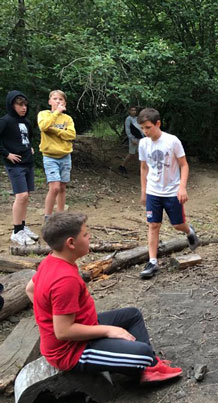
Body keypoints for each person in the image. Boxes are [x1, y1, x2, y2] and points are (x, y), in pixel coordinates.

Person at [25, 212, 183, 382]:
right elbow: (63, 331)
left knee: (132, 315)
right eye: (85, 234)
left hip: (83, 328)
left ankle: (149, 367)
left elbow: (30, 289)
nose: (89, 237)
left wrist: (48, 318)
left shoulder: (50, 261)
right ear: (71, 243)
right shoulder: (65, 280)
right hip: (72, 352)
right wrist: (109, 330)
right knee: (143, 354)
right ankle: (145, 365)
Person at [138, 108, 199, 279]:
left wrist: (182, 187)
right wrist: (144, 190)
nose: (145, 132)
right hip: (153, 191)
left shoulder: (172, 141)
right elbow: (143, 167)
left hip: (172, 191)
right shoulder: (144, 144)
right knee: (153, 225)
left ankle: (189, 231)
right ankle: (152, 262)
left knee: (177, 224)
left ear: (158, 123)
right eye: (143, 128)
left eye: (148, 127)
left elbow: (184, 165)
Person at [0, 91, 38, 245]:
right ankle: (16, 232)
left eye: (25, 105)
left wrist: (30, 148)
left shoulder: (26, 122)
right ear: (12, 104)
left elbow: (27, 138)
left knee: (26, 196)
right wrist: (7, 154)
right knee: (21, 196)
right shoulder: (5, 121)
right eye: (19, 104)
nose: (23, 108)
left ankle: (22, 227)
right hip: (15, 165)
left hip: (28, 163)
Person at [38, 90, 76, 222]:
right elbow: (43, 126)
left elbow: (71, 135)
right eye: (55, 99)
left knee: (62, 187)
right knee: (54, 187)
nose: (58, 101)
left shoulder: (68, 119)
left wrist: (54, 130)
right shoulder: (43, 114)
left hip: (65, 156)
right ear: (49, 101)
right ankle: (48, 217)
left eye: (61, 99)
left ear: (64, 102)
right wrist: (56, 113)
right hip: (50, 156)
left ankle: (60, 217)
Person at [119, 106, 144, 175]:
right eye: (132, 110)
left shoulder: (136, 119)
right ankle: (122, 166)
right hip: (133, 139)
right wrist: (132, 139)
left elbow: (140, 129)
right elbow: (128, 130)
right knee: (131, 154)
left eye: (135, 110)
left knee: (140, 154)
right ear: (129, 111)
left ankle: (141, 170)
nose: (134, 111)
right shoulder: (128, 119)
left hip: (140, 139)